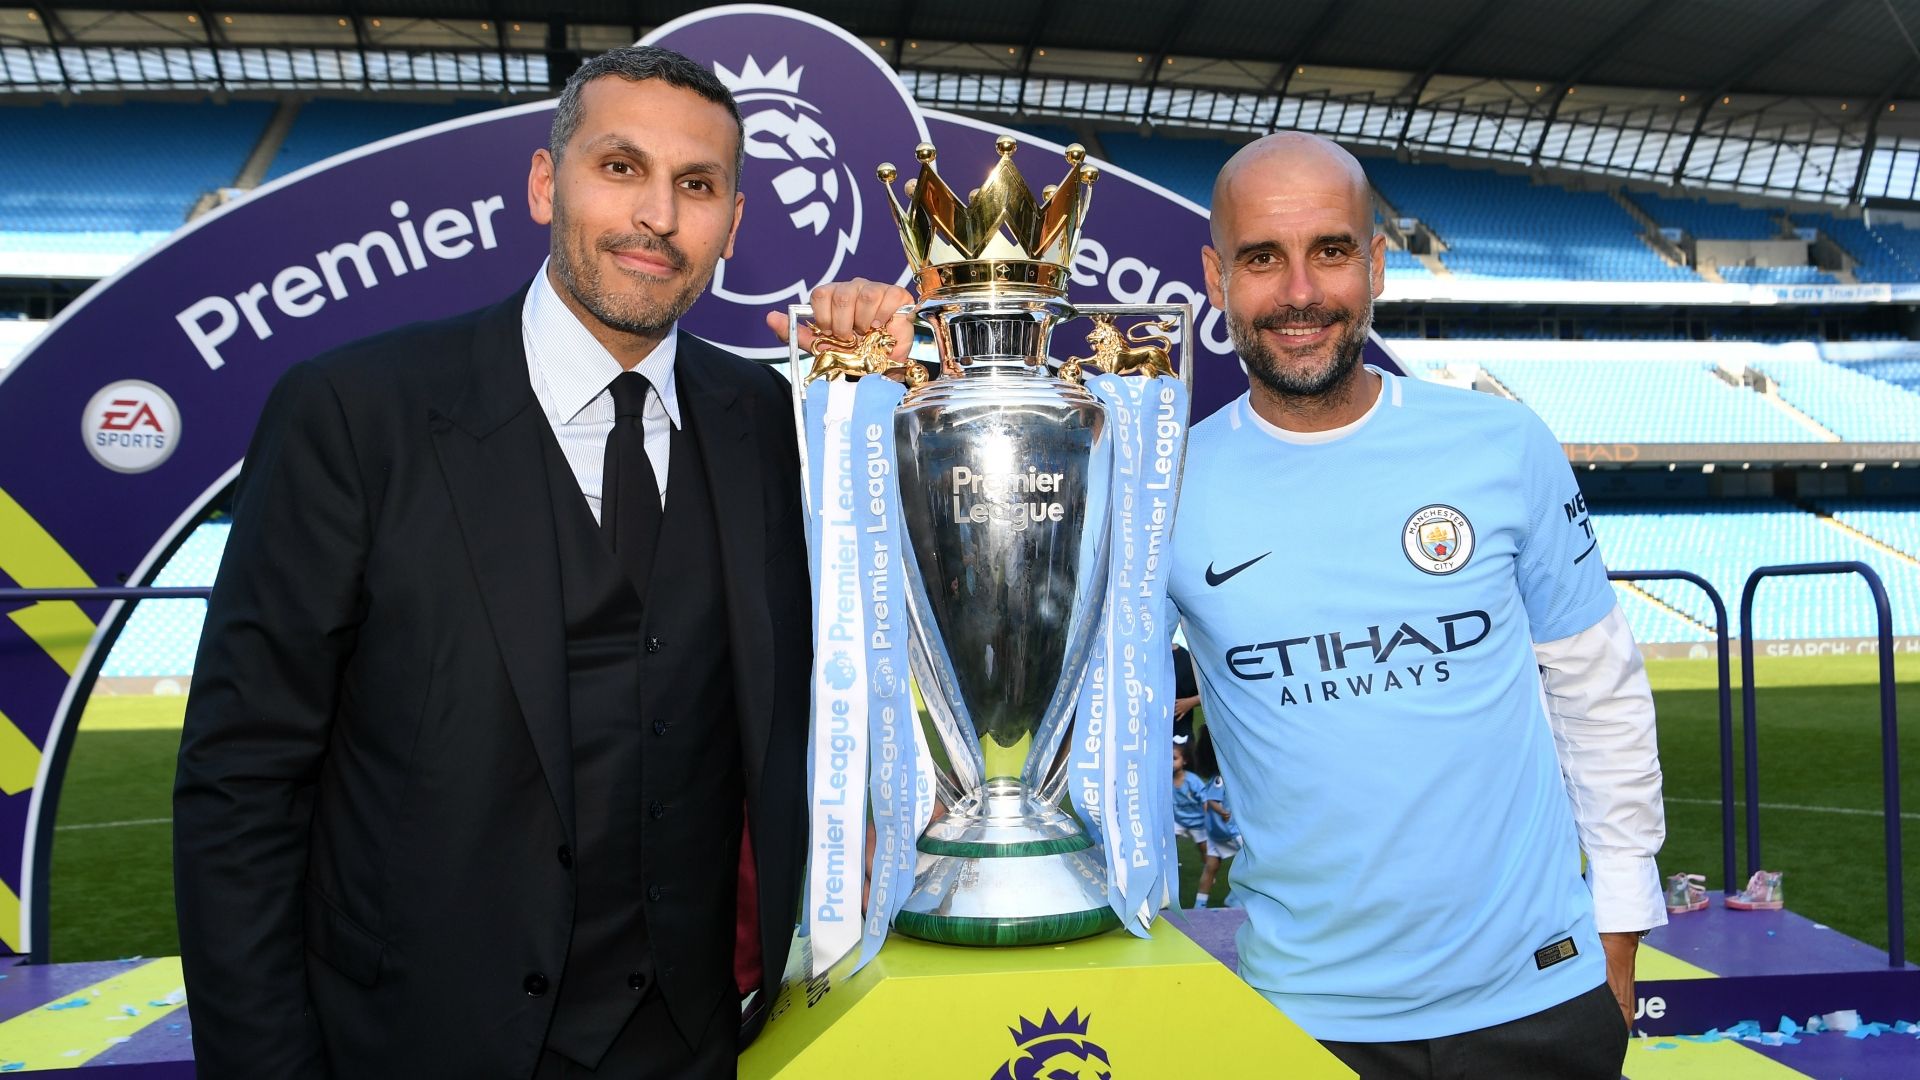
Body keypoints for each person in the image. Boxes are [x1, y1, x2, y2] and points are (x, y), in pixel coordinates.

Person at [792, 130, 1664, 1080]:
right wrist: (867, 372)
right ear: (1216, 278)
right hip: (1305, 1016)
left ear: (1376, 264)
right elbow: (1028, 670)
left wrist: (1621, 923)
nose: (1300, 292)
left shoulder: (1502, 444)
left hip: (1538, 999)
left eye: (1331, 250)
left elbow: (1598, 690)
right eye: (1262, 258)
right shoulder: (1157, 482)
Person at [174, 46, 812, 1080]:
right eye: (620, 167)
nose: (657, 216)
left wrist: (887, 373)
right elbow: (241, 783)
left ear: (733, 224)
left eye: (697, 185)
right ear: (544, 184)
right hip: (418, 1045)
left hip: (694, 1041)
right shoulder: (353, 413)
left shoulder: (768, 417)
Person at [1195, 771, 1241, 910]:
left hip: (1216, 832)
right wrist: (1223, 812)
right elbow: (1212, 799)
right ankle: (1234, 899)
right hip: (1230, 830)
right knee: (1251, 862)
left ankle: (1199, 905)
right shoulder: (1221, 778)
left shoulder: (1231, 776)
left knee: (1211, 866)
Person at [1171, 741, 1210, 868]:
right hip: (1179, 821)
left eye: (1174, 758)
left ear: (1184, 761)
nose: (1170, 762)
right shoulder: (1166, 780)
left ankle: (1208, 871)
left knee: (1204, 849)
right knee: (1167, 842)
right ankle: (1170, 866)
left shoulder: (1192, 781)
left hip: (1197, 822)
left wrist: (1208, 818)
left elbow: (1205, 800)